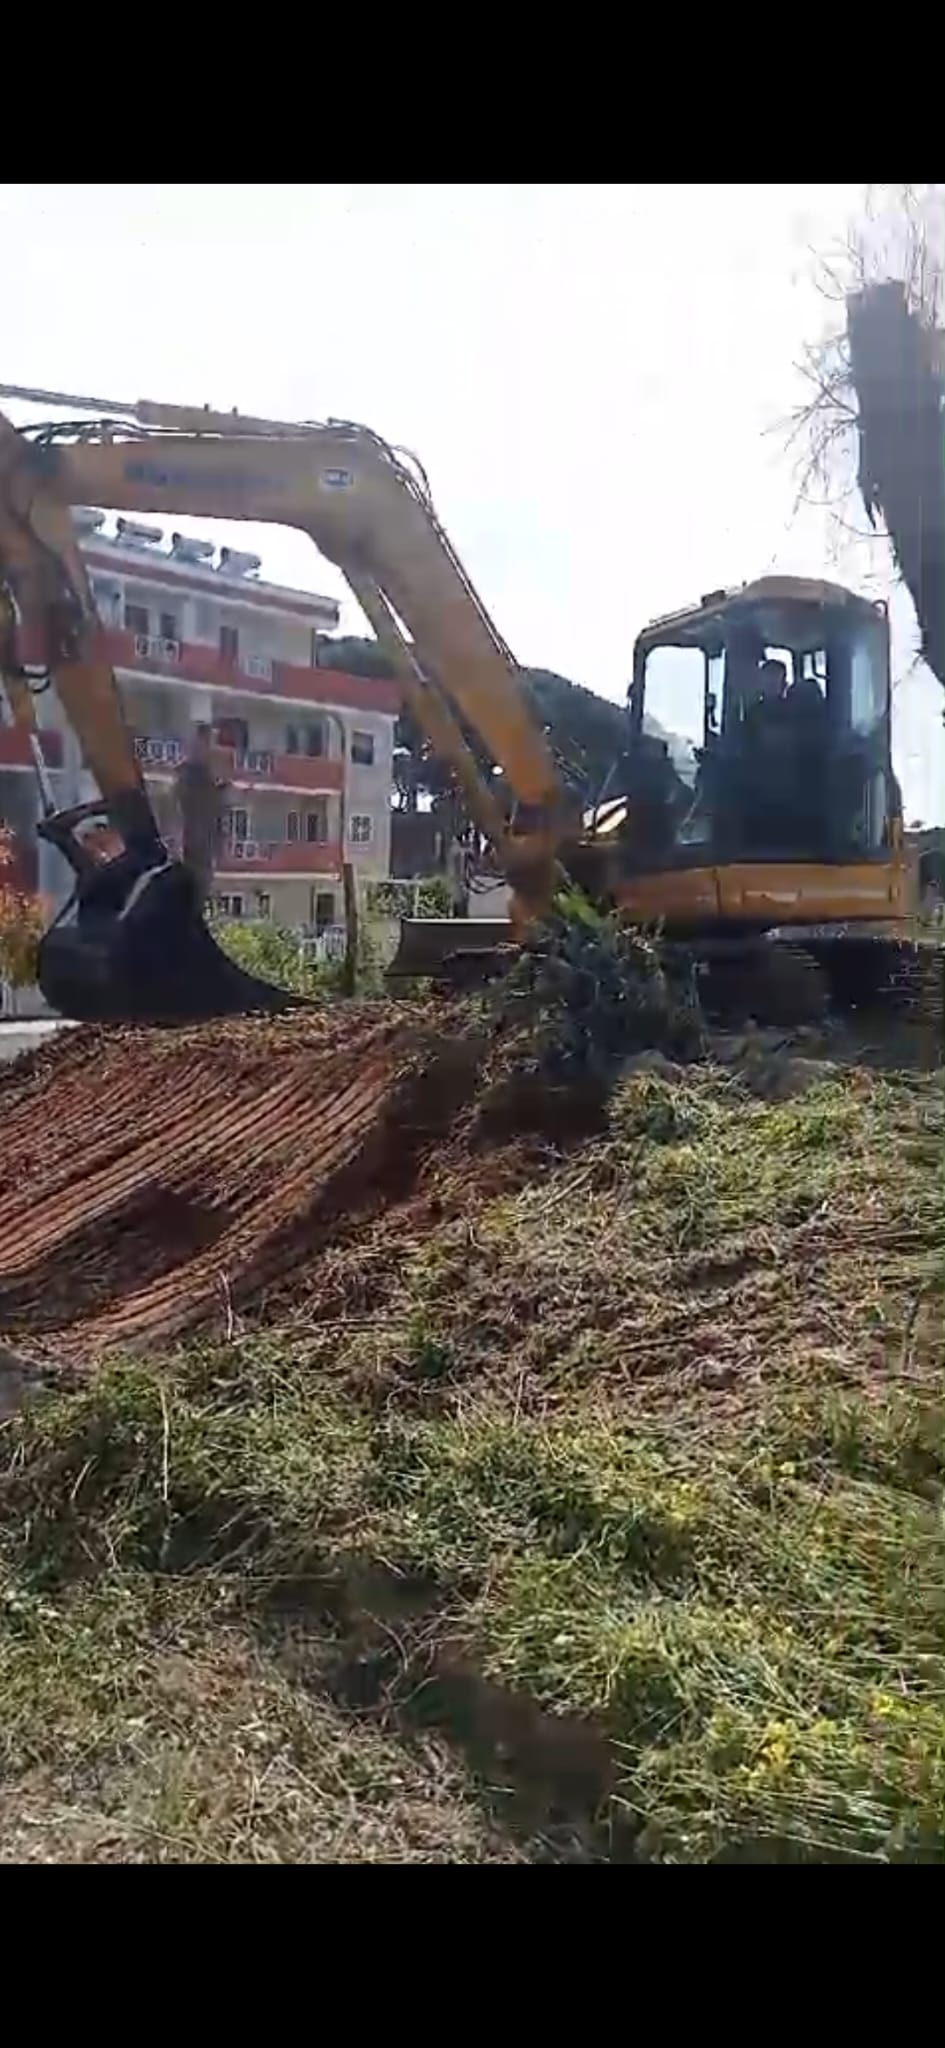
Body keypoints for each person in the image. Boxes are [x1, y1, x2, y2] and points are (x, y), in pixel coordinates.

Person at [174, 723, 229, 914]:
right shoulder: (189, 775)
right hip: (191, 846)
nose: (211, 748)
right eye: (208, 742)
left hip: (204, 847)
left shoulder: (209, 778)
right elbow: (181, 808)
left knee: (197, 896)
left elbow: (219, 815)